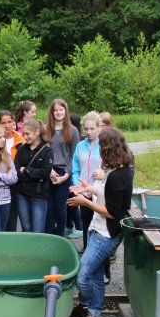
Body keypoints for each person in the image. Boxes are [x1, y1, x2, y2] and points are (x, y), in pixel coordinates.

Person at [66, 128, 134, 317]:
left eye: (100, 146)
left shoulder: (118, 176)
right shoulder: (115, 170)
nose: (98, 150)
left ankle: (85, 306)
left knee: (83, 276)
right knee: (95, 277)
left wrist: (84, 202)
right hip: (98, 230)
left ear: (108, 148)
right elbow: (107, 195)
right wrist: (89, 189)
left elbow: (112, 212)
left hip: (105, 235)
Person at [42, 99, 79, 236]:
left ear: (65, 111)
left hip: (64, 172)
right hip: (49, 171)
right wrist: (49, 170)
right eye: (56, 110)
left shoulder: (72, 130)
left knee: (60, 207)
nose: (58, 112)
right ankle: (48, 236)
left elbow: (74, 155)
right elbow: (42, 151)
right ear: (52, 112)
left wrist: (67, 175)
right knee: (49, 207)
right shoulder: (46, 129)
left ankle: (60, 236)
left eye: (61, 110)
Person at [13, 118, 53, 233]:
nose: (25, 137)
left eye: (28, 134)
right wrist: (35, 175)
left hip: (38, 195)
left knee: (37, 230)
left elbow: (45, 173)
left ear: (37, 132)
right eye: (23, 134)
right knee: (26, 228)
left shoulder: (47, 150)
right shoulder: (21, 149)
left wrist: (26, 171)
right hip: (22, 194)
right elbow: (16, 172)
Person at [71, 111, 103, 252]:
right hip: (84, 192)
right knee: (86, 222)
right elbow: (75, 169)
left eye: (92, 129)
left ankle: (100, 253)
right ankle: (86, 249)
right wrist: (77, 185)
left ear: (99, 128)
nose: (88, 132)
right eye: (86, 129)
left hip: (99, 192)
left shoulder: (105, 146)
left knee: (99, 224)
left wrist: (104, 174)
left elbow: (113, 168)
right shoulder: (80, 146)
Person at [65, 112, 84, 238]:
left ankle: (80, 227)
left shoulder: (77, 138)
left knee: (72, 202)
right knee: (68, 202)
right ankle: (69, 225)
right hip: (71, 174)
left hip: (74, 176)